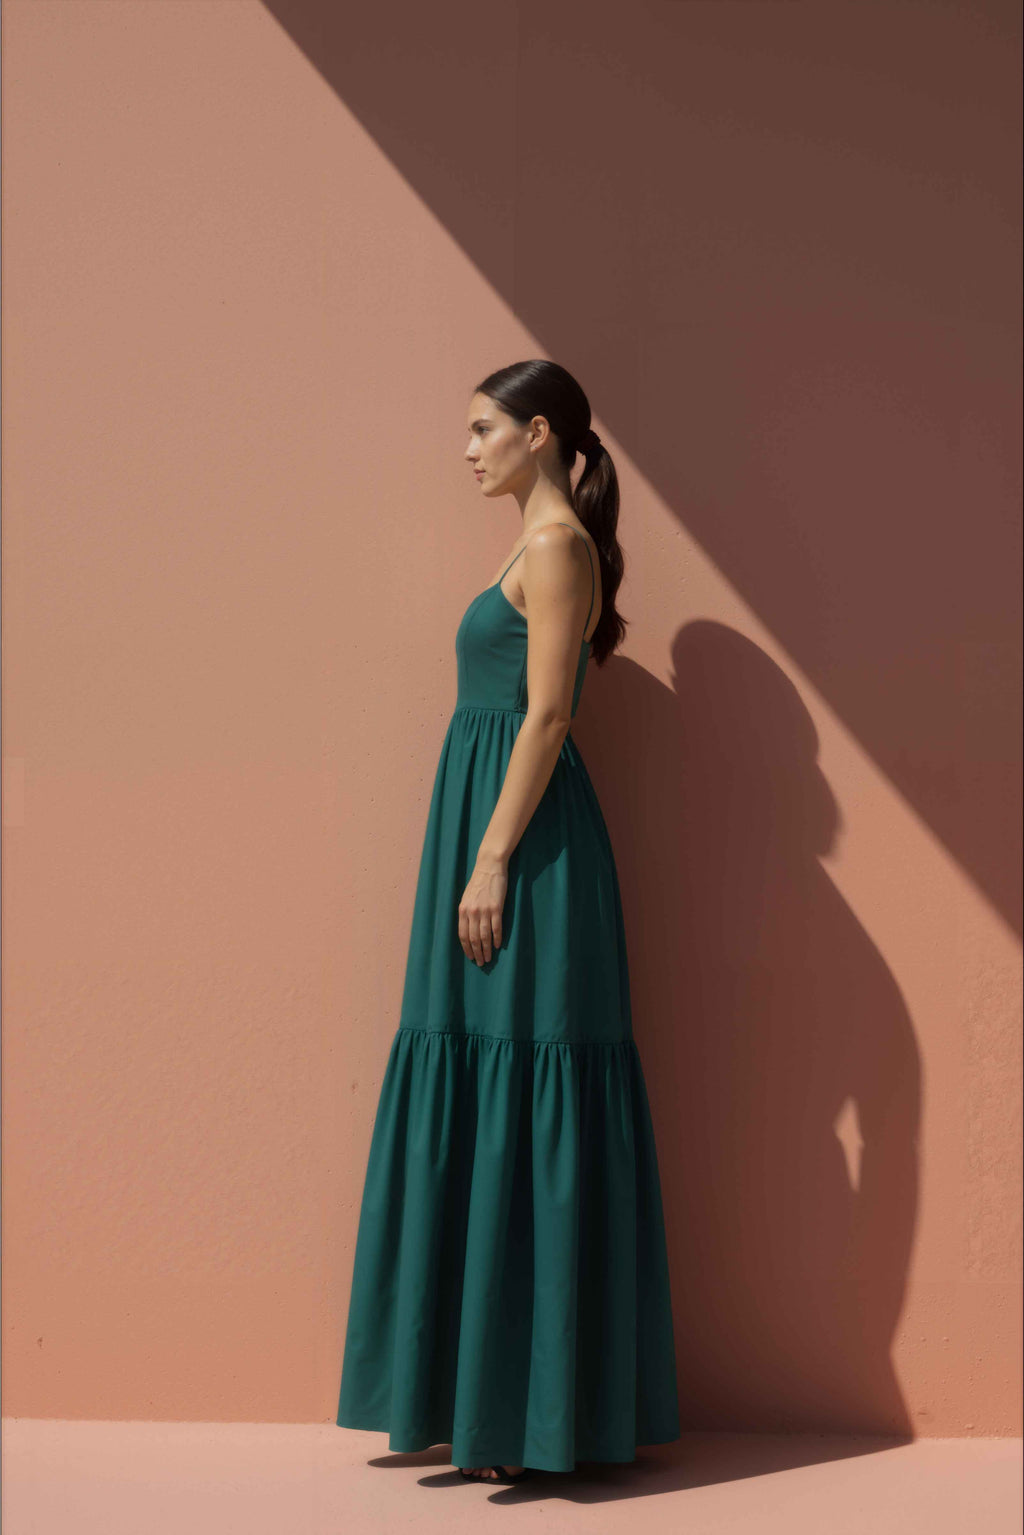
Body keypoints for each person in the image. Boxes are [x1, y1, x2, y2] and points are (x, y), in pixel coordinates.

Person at [335, 359, 680, 1483]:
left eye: (483, 429)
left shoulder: (555, 548)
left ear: (540, 434)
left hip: (524, 855)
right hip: (489, 837)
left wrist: (487, 858)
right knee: (480, 1078)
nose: (468, 448)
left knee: (523, 1080)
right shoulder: (527, 546)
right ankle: (483, 1403)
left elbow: (545, 715)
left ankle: (539, 1418)